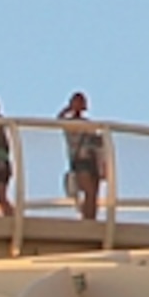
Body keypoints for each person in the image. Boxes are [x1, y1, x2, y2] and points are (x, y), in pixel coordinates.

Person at [58, 91, 103, 222]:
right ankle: (87, 218)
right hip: (80, 161)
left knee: (93, 193)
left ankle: (91, 218)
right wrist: (68, 109)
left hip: (92, 160)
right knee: (88, 191)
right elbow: (58, 120)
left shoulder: (88, 123)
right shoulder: (69, 123)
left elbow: (97, 143)